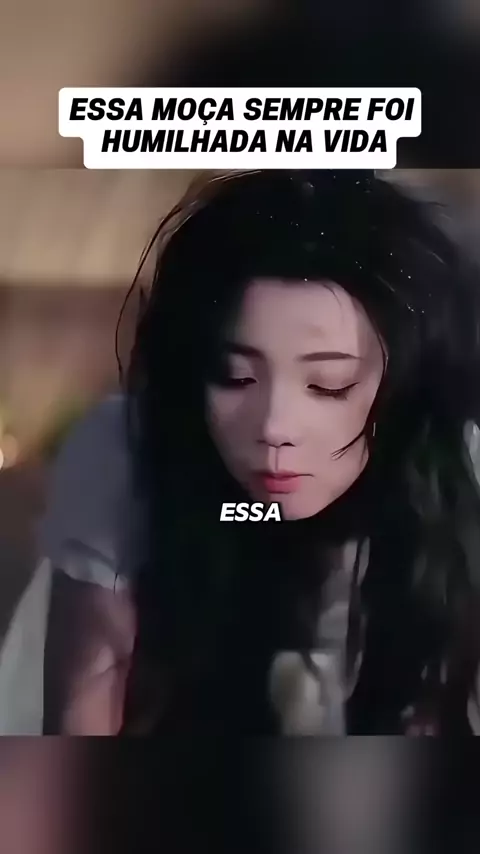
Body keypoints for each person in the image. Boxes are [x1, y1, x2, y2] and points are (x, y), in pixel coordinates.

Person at [6, 168, 480, 736]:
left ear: (403, 386)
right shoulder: (128, 451)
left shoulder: (460, 468)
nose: (274, 427)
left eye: (328, 385)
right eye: (233, 377)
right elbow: (84, 714)